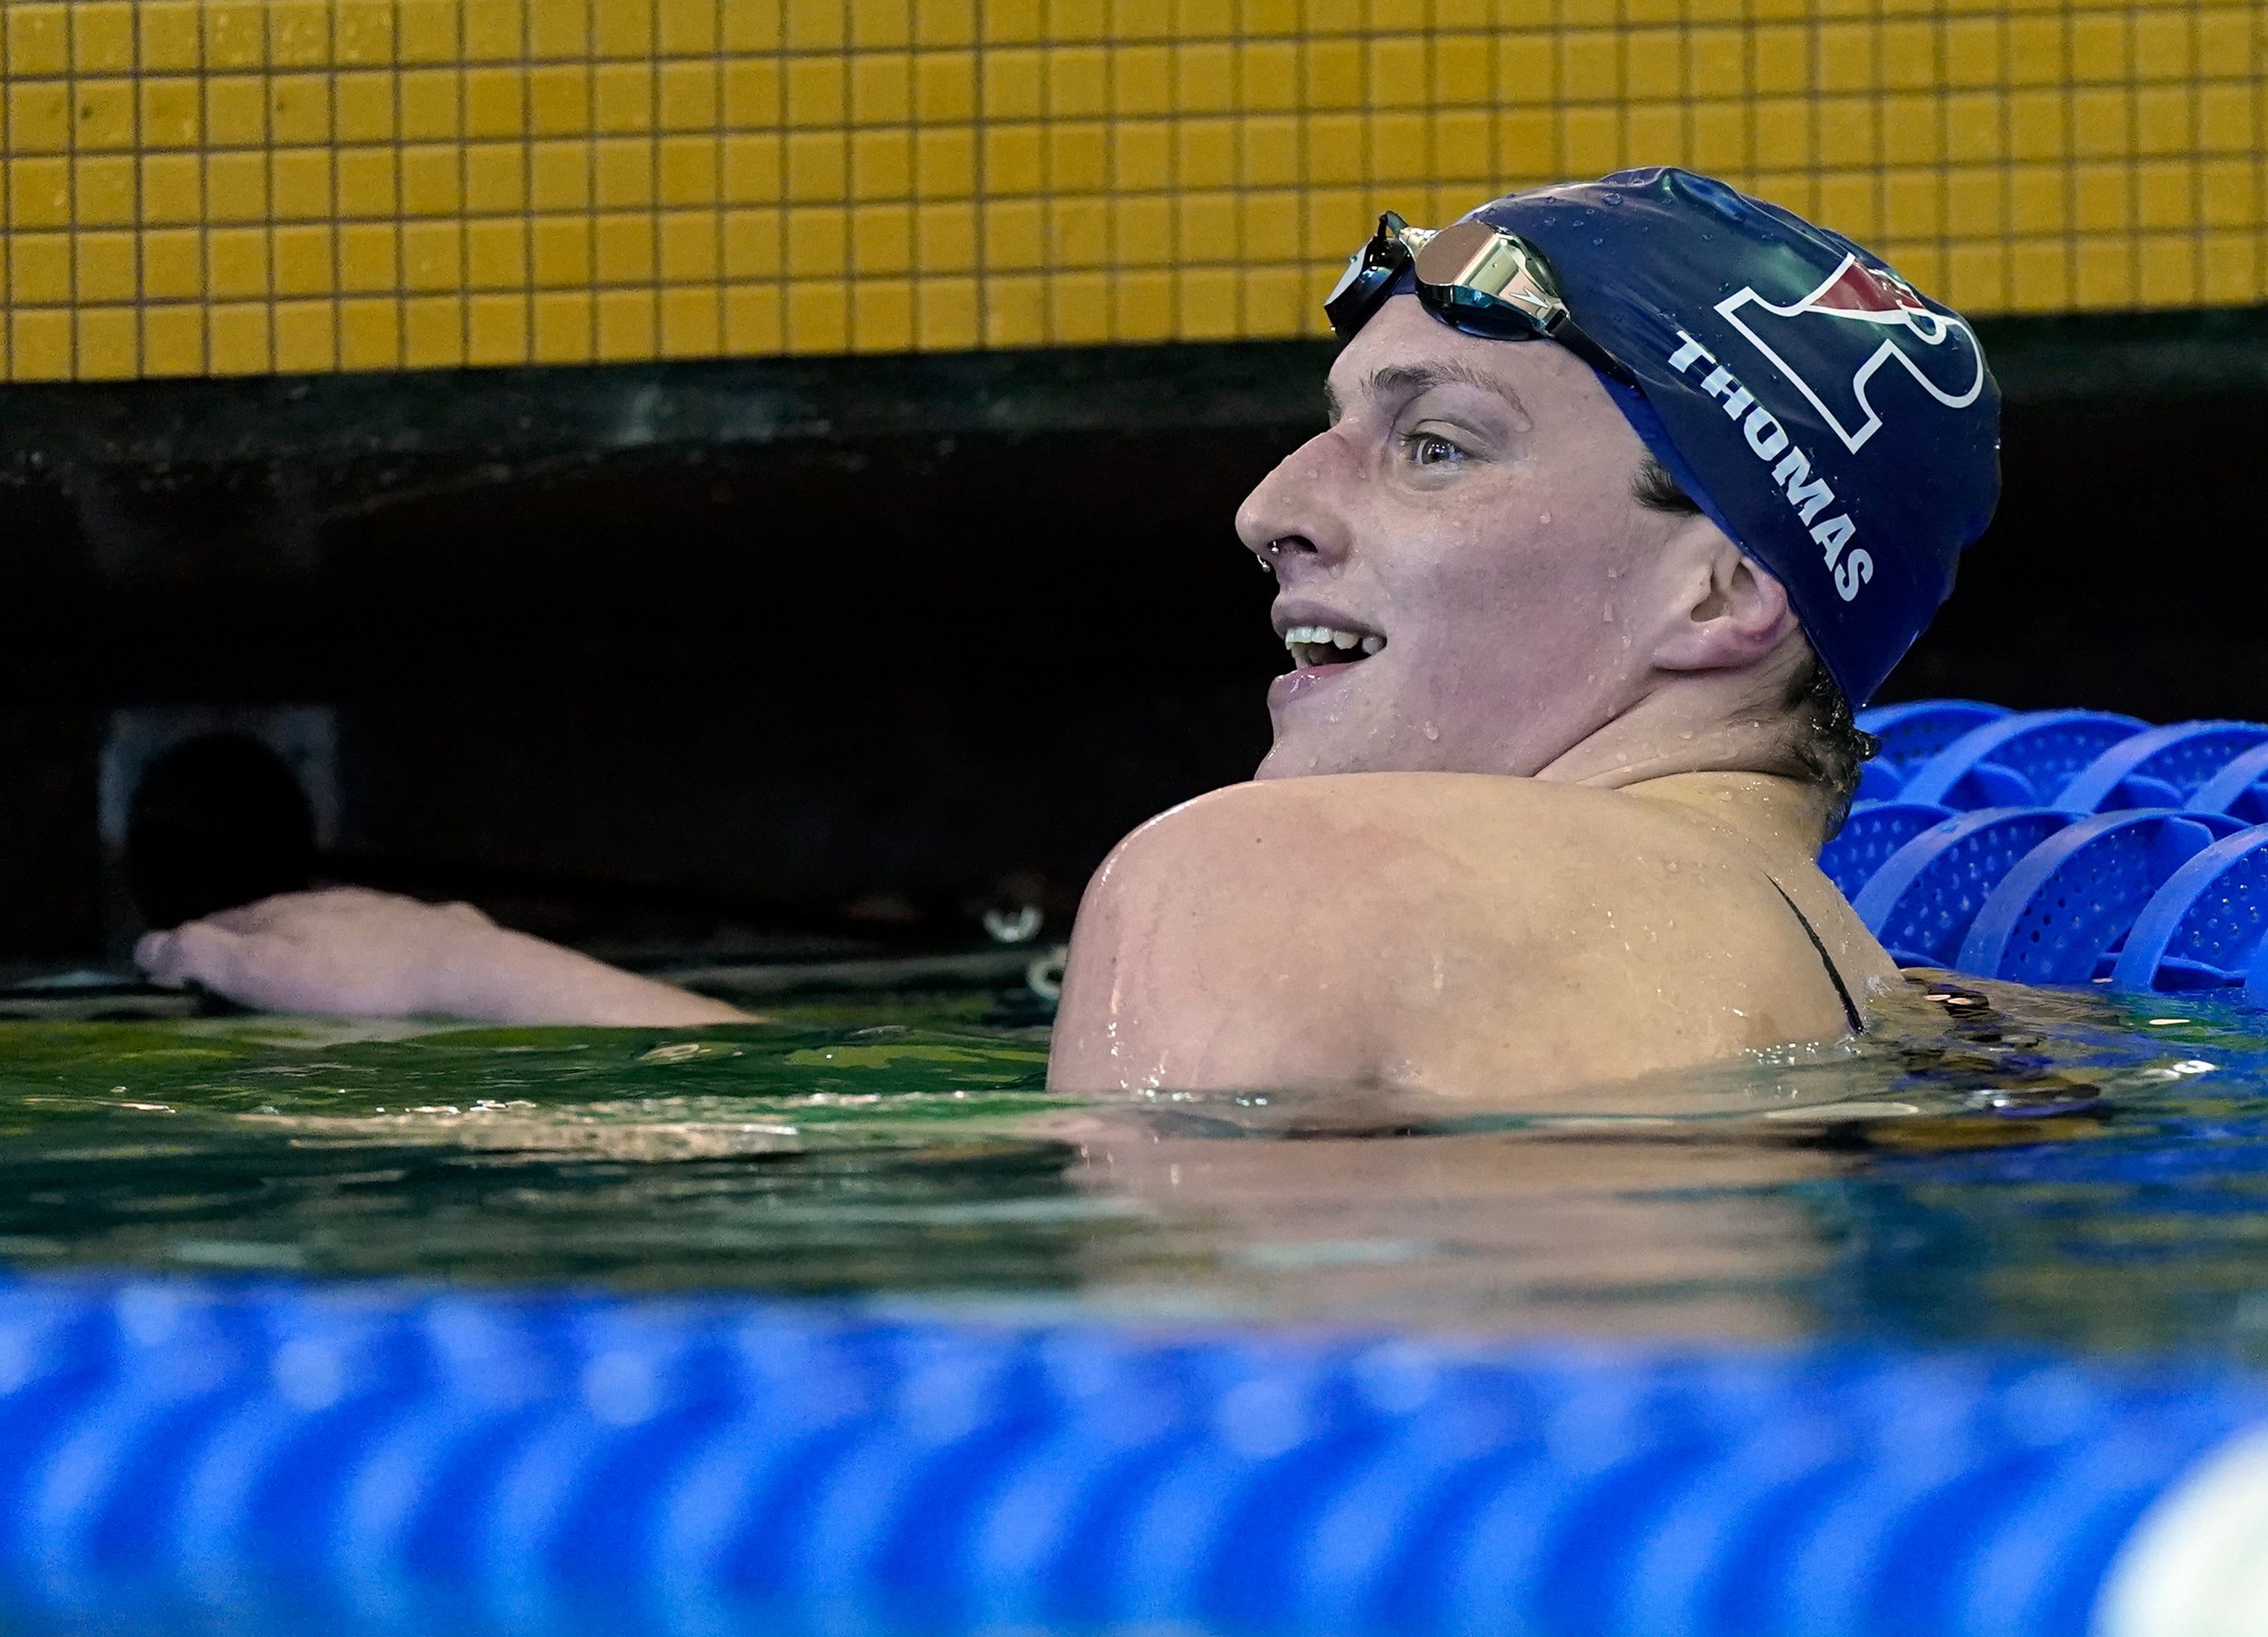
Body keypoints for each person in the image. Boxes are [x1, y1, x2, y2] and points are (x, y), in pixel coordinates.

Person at [137, 169, 2000, 1094]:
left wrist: (491, 1108)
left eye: (1433, 445)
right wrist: (486, 978)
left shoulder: (1287, 873)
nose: (1270, 505)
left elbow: (1087, 1334)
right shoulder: (1887, 1001)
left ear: (1720, 592)